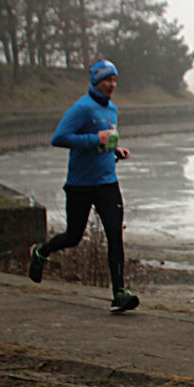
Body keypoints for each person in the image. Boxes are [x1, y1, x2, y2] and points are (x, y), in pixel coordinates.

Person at [28, 59, 139, 313]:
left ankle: (119, 292)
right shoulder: (81, 108)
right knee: (74, 236)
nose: (111, 85)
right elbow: (59, 138)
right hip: (80, 184)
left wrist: (115, 150)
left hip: (108, 183)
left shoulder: (112, 109)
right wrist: (94, 139)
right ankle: (41, 252)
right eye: (106, 80)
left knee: (114, 235)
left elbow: (104, 142)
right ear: (95, 82)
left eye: (114, 81)